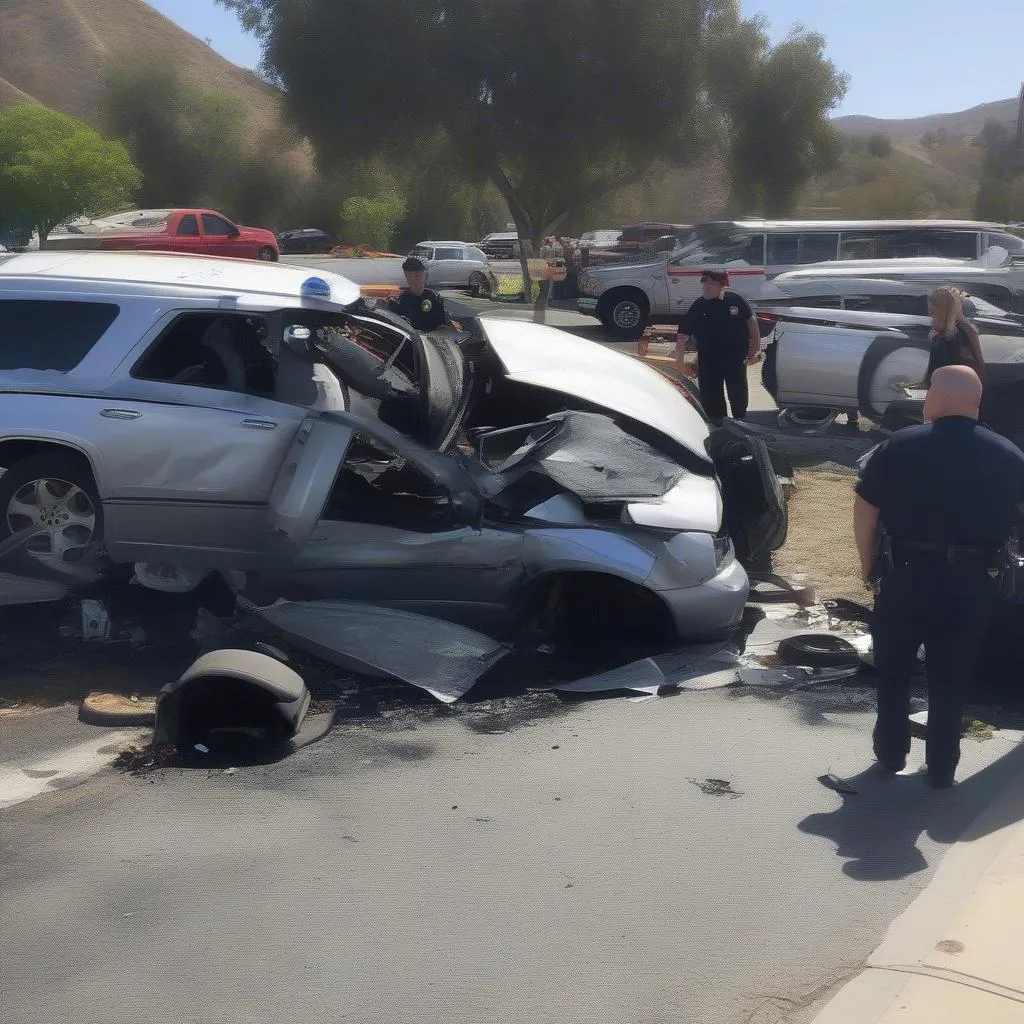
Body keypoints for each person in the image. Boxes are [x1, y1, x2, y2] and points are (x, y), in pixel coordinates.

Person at [854, 365, 1024, 788]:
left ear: (943, 397)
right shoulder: (1008, 454)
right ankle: (943, 765)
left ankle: (891, 752)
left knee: (893, 668)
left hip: (905, 573)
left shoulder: (899, 446)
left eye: (929, 391)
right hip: (972, 581)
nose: (925, 399)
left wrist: (867, 565)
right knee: (952, 673)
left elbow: (865, 512)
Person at [674, 269, 762, 423]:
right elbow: (682, 336)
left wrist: (755, 349)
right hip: (709, 361)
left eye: (711, 284)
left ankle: (740, 423)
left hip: (734, 359)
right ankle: (719, 427)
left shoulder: (735, 301)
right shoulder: (699, 306)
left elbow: (752, 323)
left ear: (723, 285)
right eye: (704, 283)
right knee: (711, 400)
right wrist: (680, 364)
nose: (706, 287)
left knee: (738, 394)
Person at [921, 286, 984, 387]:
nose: (931, 321)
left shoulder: (943, 339)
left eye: (933, 315)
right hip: (968, 393)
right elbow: (980, 367)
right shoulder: (968, 330)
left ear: (943, 311)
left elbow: (934, 379)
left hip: (951, 394)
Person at [386, 257, 459, 333]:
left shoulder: (433, 296)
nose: (419, 280)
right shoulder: (403, 301)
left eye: (421, 276)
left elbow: (443, 322)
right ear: (407, 277)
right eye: (413, 277)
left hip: (434, 338)